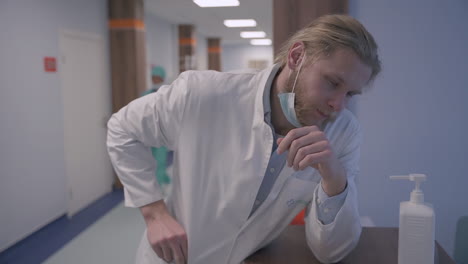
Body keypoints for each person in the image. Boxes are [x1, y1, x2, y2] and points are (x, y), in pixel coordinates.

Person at [107, 14, 381, 264]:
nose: (338, 105)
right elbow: (122, 129)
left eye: (350, 94)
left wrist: (334, 178)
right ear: (297, 56)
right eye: (332, 83)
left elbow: (331, 252)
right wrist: (154, 213)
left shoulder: (343, 133)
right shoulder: (204, 93)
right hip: (173, 257)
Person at [141, 66, 172, 193]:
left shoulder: (167, 93)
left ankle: (158, 188)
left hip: (162, 132)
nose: (154, 79)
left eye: (157, 77)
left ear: (162, 78)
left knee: (159, 160)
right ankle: (163, 180)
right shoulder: (146, 94)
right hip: (149, 132)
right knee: (150, 161)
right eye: (153, 77)